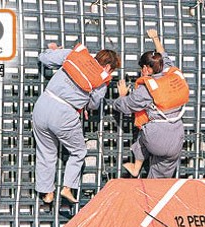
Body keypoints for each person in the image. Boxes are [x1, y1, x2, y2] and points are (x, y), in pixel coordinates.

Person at [33, 43, 120, 203]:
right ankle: (67, 187)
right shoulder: (101, 80)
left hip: (43, 104)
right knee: (78, 152)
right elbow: (94, 104)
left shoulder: (74, 54)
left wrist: (54, 51)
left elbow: (44, 58)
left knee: (46, 152)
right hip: (65, 113)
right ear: (108, 67)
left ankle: (47, 193)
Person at [114, 29, 187, 179]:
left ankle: (136, 166)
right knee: (158, 182)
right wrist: (155, 38)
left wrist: (121, 96)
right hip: (176, 139)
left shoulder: (147, 89)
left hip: (156, 138)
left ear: (147, 69)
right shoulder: (172, 74)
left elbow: (125, 106)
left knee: (142, 128)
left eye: (142, 68)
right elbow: (163, 56)